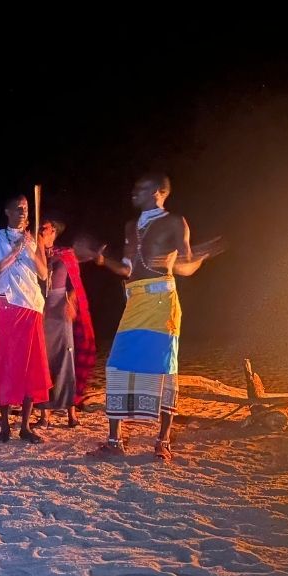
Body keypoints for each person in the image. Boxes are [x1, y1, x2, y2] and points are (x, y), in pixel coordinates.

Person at [77, 173, 221, 460]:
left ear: (159, 192)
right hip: (135, 301)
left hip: (161, 302)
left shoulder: (174, 222)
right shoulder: (131, 225)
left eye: (141, 188)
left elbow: (185, 265)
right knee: (117, 365)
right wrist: (103, 260)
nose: (134, 192)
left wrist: (199, 257)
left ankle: (162, 441)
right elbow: (128, 269)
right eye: (134, 186)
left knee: (163, 368)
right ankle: (115, 442)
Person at [0, 194, 51, 444]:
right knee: (7, 363)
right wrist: (14, 253)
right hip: (6, 305)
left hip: (31, 305)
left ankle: (24, 426)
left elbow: (44, 275)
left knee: (31, 365)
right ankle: (4, 426)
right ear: (7, 211)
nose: (23, 212)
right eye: (18, 208)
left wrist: (31, 249)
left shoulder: (34, 241)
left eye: (26, 208)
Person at [34, 215, 84, 429]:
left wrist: (71, 301)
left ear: (53, 230)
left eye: (44, 228)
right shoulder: (34, 253)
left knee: (66, 359)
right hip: (40, 309)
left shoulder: (66, 254)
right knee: (42, 361)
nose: (40, 231)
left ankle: (71, 412)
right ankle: (45, 415)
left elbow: (75, 282)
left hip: (60, 307)